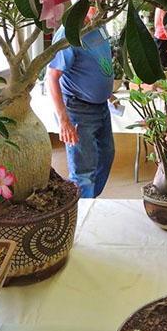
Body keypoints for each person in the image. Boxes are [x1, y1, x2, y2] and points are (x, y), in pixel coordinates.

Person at [47, 13, 115, 198]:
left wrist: (108, 91)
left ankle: (88, 200)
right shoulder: (68, 34)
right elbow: (52, 77)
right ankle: (83, 215)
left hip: (101, 106)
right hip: (78, 108)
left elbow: (101, 61)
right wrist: (63, 121)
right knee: (84, 172)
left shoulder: (98, 25)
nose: (101, 7)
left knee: (106, 156)